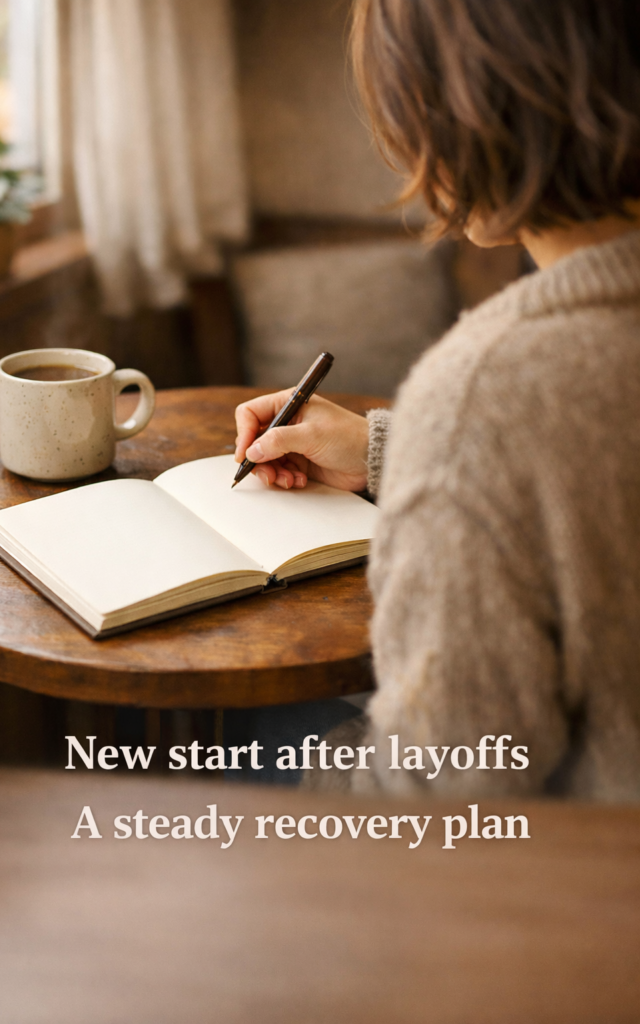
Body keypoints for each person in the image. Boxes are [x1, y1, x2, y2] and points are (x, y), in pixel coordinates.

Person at [234, 0, 640, 801]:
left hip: (574, 894)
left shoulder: (487, 393)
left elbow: (448, 784)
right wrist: (388, 450)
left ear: (460, 117)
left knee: (235, 749)